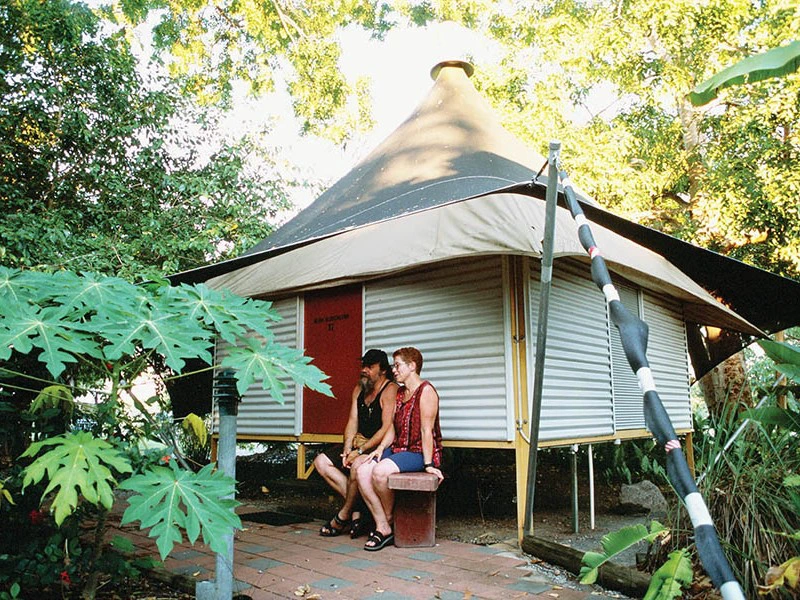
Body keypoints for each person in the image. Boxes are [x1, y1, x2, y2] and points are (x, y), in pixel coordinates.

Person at [356, 346, 444, 551]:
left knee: (379, 472)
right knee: (363, 470)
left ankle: (385, 522)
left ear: (412, 366)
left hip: (419, 452)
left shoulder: (426, 391)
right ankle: (384, 524)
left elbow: (426, 430)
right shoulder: (400, 392)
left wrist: (429, 464)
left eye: (397, 365)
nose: (394, 370)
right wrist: (380, 449)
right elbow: (393, 429)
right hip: (398, 449)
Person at [314, 349, 398, 538]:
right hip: (358, 443)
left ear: (383, 370)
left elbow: (386, 428)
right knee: (321, 462)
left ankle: (344, 516)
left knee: (355, 468)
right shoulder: (360, 388)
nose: (364, 370)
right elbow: (352, 421)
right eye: (363, 366)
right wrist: (347, 449)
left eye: (370, 366)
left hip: (377, 446)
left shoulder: (389, 389)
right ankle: (359, 510)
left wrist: (359, 450)